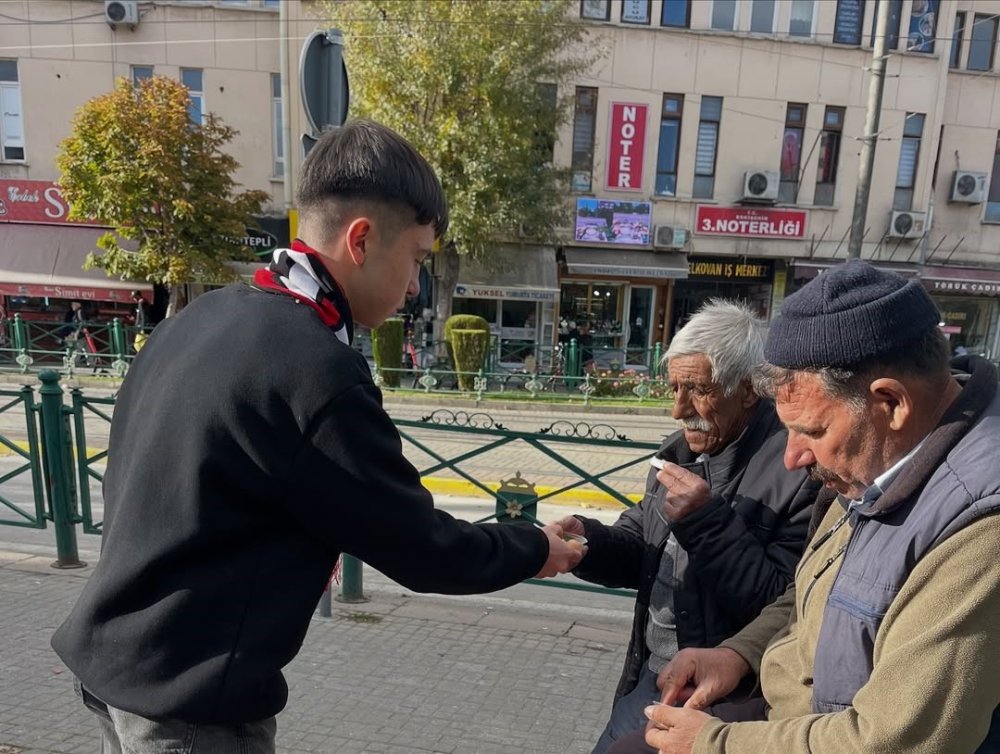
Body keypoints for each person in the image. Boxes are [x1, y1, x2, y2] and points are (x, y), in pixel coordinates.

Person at [50, 120, 583, 753]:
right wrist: (532, 548)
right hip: (191, 708)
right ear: (361, 239)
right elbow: (419, 546)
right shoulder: (316, 372)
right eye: (415, 258)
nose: (415, 285)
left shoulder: (206, 314)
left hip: (111, 663)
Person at [620, 260, 1000, 754]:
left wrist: (716, 744)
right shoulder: (884, 460)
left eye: (812, 432)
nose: (793, 457)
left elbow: (892, 742)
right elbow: (811, 592)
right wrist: (739, 652)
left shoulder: (979, 528)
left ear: (891, 403)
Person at [554, 300, 821, 754]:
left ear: (749, 389)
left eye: (697, 389)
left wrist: (704, 520)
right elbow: (644, 545)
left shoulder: (797, 468)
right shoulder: (680, 450)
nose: (679, 409)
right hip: (653, 673)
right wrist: (588, 542)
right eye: (674, 387)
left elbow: (783, 606)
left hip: (721, 694)